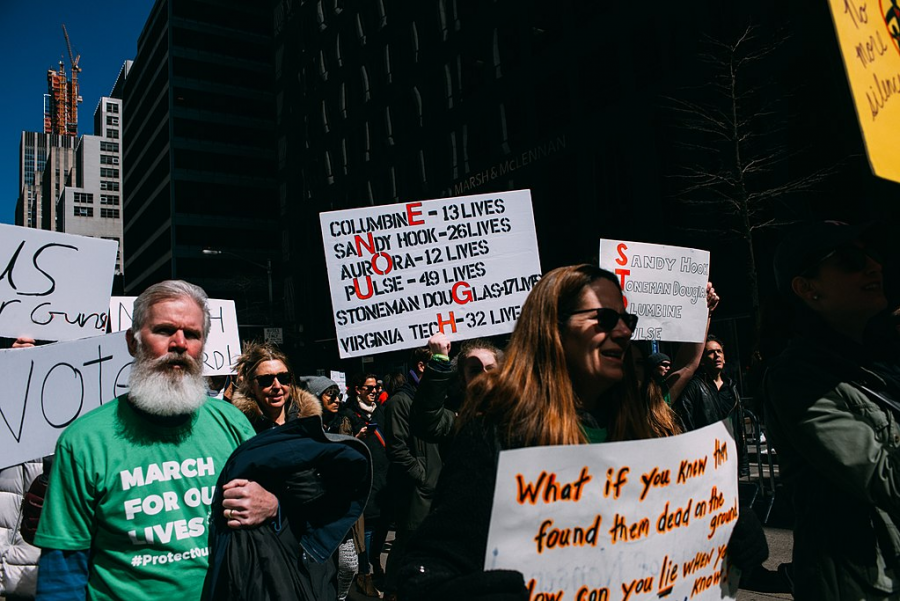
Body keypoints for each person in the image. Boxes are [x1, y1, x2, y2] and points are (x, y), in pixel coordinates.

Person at [396, 265, 689, 600]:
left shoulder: (644, 429)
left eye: (628, 321)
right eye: (605, 319)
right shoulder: (500, 433)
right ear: (553, 327)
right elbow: (427, 568)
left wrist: (719, 539)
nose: (623, 331)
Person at [32, 280, 277, 601]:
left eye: (192, 334)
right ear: (132, 343)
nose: (179, 343)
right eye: (163, 330)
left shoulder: (231, 422)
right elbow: (63, 572)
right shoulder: (84, 441)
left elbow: (282, 507)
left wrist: (272, 505)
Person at [762, 221, 900, 600]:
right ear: (807, 289)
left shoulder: (881, 363)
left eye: (872, 256)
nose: (874, 266)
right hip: (863, 586)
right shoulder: (797, 379)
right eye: (850, 260)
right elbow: (888, 480)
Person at [300, 375, 364, 601]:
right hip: (315, 516)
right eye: (331, 395)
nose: (337, 400)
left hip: (340, 511)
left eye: (339, 395)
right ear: (315, 398)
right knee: (317, 572)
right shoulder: (303, 427)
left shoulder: (340, 422)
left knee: (349, 565)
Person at [382, 347, 435, 600]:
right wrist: (422, 476)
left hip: (433, 487)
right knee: (407, 543)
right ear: (422, 366)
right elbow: (397, 449)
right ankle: (393, 591)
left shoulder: (433, 399)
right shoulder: (401, 402)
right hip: (415, 491)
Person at [343, 373, 389, 597]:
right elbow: (342, 447)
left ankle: (375, 563)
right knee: (368, 528)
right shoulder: (350, 414)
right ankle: (366, 571)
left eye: (376, 388)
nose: (374, 391)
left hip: (383, 477)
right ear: (358, 390)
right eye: (369, 388)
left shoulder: (381, 410)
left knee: (382, 525)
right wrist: (357, 436)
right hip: (364, 478)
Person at [231, 342, 304, 433]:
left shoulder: (308, 421)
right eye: (266, 380)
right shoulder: (241, 428)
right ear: (251, 386)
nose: (277, 386)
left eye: (283, 378)